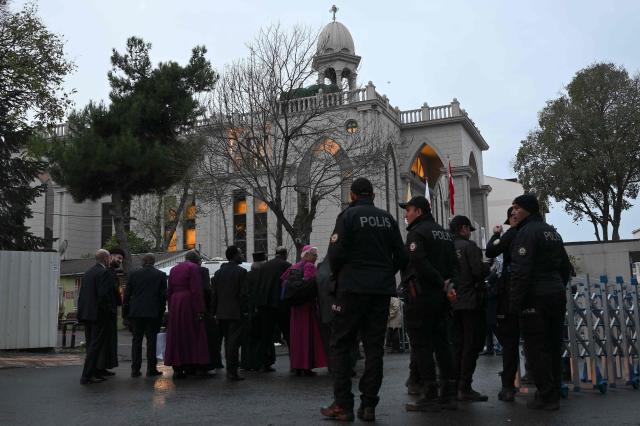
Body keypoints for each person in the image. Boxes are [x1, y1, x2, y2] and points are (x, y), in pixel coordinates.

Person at [321, 178, 408, 422]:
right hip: (379, 292)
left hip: (350, 290)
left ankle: (343, 404)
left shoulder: (347, 216)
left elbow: (334, 254)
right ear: (373, 194)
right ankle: (369, 405)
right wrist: (384, 273)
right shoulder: (388, 219)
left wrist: (339, 276)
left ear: (352, 195)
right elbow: (402, 256)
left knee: (340, 344)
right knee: (374, 349)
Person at [509, 194, 572, 410]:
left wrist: (514, 304)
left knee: (536, 348)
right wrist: (557, 288)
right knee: (554, 345)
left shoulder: (526, 233)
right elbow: (565, 267)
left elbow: (521, 272)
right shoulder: (552, 232)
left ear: (527, 209)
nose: (513, 212)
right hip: (555, 294)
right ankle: (554, 390)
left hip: (535, 297)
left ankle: (546, 395)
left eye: (516, 208)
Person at [399, 196, 458, 413]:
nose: (406, 214)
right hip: (442, 299)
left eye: (409, 210)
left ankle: (430, 393)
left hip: (422, 296)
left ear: (419, 212)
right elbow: (455, 264)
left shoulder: (417, 233)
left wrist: (440, 282)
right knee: (443, 344)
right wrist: (450, 285)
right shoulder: (444, 233)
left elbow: (419, 262)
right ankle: (449, 393)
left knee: (422, 346)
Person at [450, 215, 490, 402]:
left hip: (451, 302)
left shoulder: (446, 246)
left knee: (456, 344)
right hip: (470, 302)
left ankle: (454, 383)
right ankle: (465, 386)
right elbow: (477, 271)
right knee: (471, 344)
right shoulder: (469, 247)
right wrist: (487, 268)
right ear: (464, 229)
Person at [486, 207, 520, 402]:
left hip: (513, 295)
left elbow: (491, 250)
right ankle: (511, 384)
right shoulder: (542, 232)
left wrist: (496, 235)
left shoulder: (512, 235)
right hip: (519, 295)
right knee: (515, 342)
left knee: (512, 343)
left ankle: (510, 384)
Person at [281, 245, 327, 376]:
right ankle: (306, 366)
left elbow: (283, 282)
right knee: (307, 336)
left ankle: (297, 366)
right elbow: (312, 285)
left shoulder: (294, 266)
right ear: (306, 255)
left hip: (295, 308)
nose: (316, 257)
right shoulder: (309, 266)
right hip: (307, 307)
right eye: (314, 254)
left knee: (296, 337)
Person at [164, 250, 210, 379]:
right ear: (196, 260)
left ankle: (178, 366)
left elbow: (169, 290)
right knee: (192, 333)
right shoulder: (193, 268)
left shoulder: (174, 269)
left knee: (177, 334)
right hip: (188, 302)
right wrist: (200, 309)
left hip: (175, 301)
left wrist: (171, 305)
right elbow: (196, 290)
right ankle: (193, 363)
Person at [123, 253, 167, 378]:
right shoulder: (160, 275)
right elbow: (163, 297)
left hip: (136, 312)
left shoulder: (134, 275)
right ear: (153, 262)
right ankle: (151, 368)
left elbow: (127, 295)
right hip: (153, 313)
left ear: (144, 261)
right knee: (151, 341)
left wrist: (126, 313)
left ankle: (135, 369)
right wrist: (161, 311)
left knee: (136, 340)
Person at [212, 245, 249, 381]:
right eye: (240, 253)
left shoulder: (218, 273)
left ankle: (230, 368)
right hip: (235, 313)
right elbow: (243, 294)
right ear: (234, 255)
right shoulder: (241, 272)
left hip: (221, 313)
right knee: (233, 342)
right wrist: (245, 311)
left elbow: (214, 295)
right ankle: (232, 370)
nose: (242, 255)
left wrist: (214, 312)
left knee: (227, 342)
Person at [78, 249, 115, 384]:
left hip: (87, 314)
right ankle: (87, 375)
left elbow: (83, 294)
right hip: (98, 315)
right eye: (109, 257)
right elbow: (103, 296)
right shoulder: (103, 272)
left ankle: (93, 372)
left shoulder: (88, 272)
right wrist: (110, 311)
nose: (110, 260)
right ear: (105, 258)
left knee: (90, 345)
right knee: (95, 346)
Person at [254, 247, 291, 372]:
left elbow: (258, 285)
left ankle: (263, 363)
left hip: (265, 305)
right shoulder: (286, 265)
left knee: (265, 335)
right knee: (288, 334)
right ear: (284, 254)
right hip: (280, 305)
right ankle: (295, 363)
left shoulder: (264, 266)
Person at [95, 247, 124, 377]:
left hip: (109, 310)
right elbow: (105, 293)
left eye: (121, 259)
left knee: (109, 341)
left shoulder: (110, 272)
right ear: (110, 257)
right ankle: (100, 367)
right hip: (106, 312)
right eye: (118, 258)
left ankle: (104, 366)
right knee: (105, 341)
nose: (120, 261)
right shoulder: (106, 272)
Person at [241, 252, 266, 372]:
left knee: (248, 338)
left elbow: (245, 293)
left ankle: (247, 363)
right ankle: (259, 362)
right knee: (260, 337)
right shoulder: (263, 275)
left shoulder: (248, 275)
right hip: (261, 309)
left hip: (249, 311)